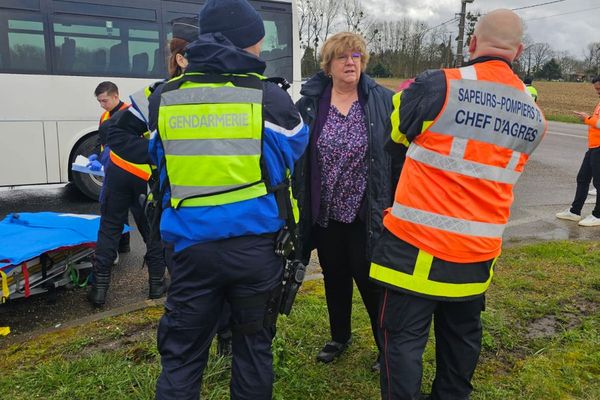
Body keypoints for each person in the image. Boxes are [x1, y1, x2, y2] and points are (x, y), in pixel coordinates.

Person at [369, 9, 547, 399]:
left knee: (402, 344)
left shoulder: (439, 85)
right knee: (461, 344)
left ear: (471, 43)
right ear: (517, 52)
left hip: (414, 249)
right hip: (476, 256)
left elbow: (396, 131)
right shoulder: (535, 116)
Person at [147, 1, 309, 398]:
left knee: (183, 356)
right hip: (256, 249)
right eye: (258, 40)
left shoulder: (163, 97)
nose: (261, 49)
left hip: (189, 249)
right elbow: (295, 147)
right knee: (253, 349)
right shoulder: (267, 97)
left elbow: (157, 157)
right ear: (244, 42)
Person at [106, 16, 236, 357]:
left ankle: (226, 338)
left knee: (222, 281)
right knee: (187, 288)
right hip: (175, 209)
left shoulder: (224, 91)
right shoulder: (154, 93)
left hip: (220, 207)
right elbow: (115, 133)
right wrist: (156, 155)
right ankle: (195, 348)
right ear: (180, 58)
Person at [294, 32, 396, 371]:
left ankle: (386, 348)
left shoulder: (383, 101)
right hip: (325, 213)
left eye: (356, 56)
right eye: (342, 56)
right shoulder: (311, 103)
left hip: (366, 213)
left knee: (371, 284)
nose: (350, 62)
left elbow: (398, 156)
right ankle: (340, 336)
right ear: (328, 64)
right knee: (334, 277)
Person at [87, 91, 168, 305]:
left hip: (117, 169)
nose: (102, 104)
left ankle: (99, 290)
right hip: (143, 174)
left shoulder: (136, 108)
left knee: (109, 227)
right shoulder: (172, 98)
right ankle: (157, 285)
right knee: (151, 231)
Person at [91, 81, 131, 255]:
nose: (102, 105)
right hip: (111, 167)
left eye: (104, 101)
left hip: (128, 168)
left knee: (130, 209)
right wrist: (96, 156)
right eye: (99, 101)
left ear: (116, 96)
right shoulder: (104, 116)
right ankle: (122, 244)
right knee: (115, 209)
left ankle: (124, 244)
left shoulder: (130, 113)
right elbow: (101, 141)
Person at [556, 76, 600, 226]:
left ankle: (598, 215)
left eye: (599, 89)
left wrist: (587, 118)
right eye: (596, 89)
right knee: (582, 178)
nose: (597, 92)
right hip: (593, 147)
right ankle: (575, 211)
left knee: (599, 182)